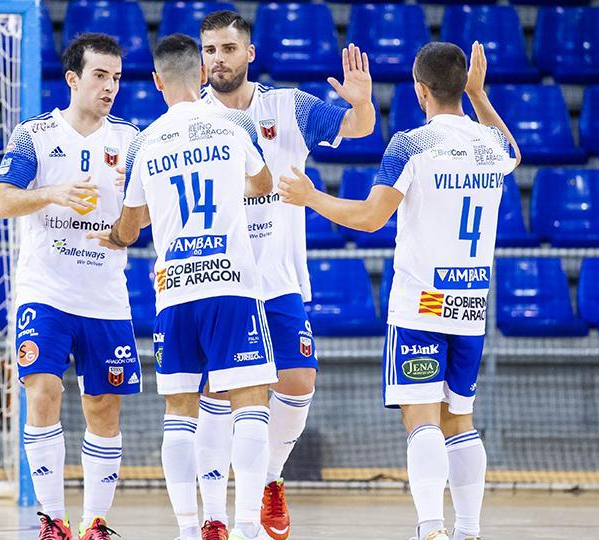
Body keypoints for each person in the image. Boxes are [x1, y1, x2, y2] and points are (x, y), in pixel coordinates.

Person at [278, 42, 521, 540]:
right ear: (462, 85)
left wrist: (309, 196)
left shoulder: (411, 145)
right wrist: (479, 95)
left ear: (420, 90)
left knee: (422, 421)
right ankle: (469, 531)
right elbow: (512, 149)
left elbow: (369, 219)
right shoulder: (489, 147)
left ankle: (431, 529)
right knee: (461, 421)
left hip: (421, 304)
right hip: (470, 305)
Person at [196, 11, 375, 539]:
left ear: (249, 54)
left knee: (299, 381)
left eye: (228, 49)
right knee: (216, 392)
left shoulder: (287, 106)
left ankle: (271, 479)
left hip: (278, 277)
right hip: (216, 279)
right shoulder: (192, 116)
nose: (217, 59)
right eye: (209, 50)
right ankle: (212, 515)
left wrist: (361, 101)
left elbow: (358, 128)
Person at [89, 33, 275, 540]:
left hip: (175, 291)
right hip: (231, 284)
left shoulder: (145, 140)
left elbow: (130, 228)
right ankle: (246, 528)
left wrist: (118, 232)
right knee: (250, 403)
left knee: (179, 410)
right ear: (200, 75)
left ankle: (191, 530)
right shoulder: (233, 123)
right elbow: (262, 185)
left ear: (155, 82)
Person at [0, 33, 140, 540]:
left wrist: (127, 227)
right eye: (100, 76)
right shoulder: (35, 133)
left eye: (117, 78)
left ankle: (96, 522)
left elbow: (144, 211)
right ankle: (52, 520)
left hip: (104, 294)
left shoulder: (129, 139)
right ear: (73, 78)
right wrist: (53, 192)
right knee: (44, 392)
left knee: (103, 405)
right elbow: (4, 201)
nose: (110, 87)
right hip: (46, 290)